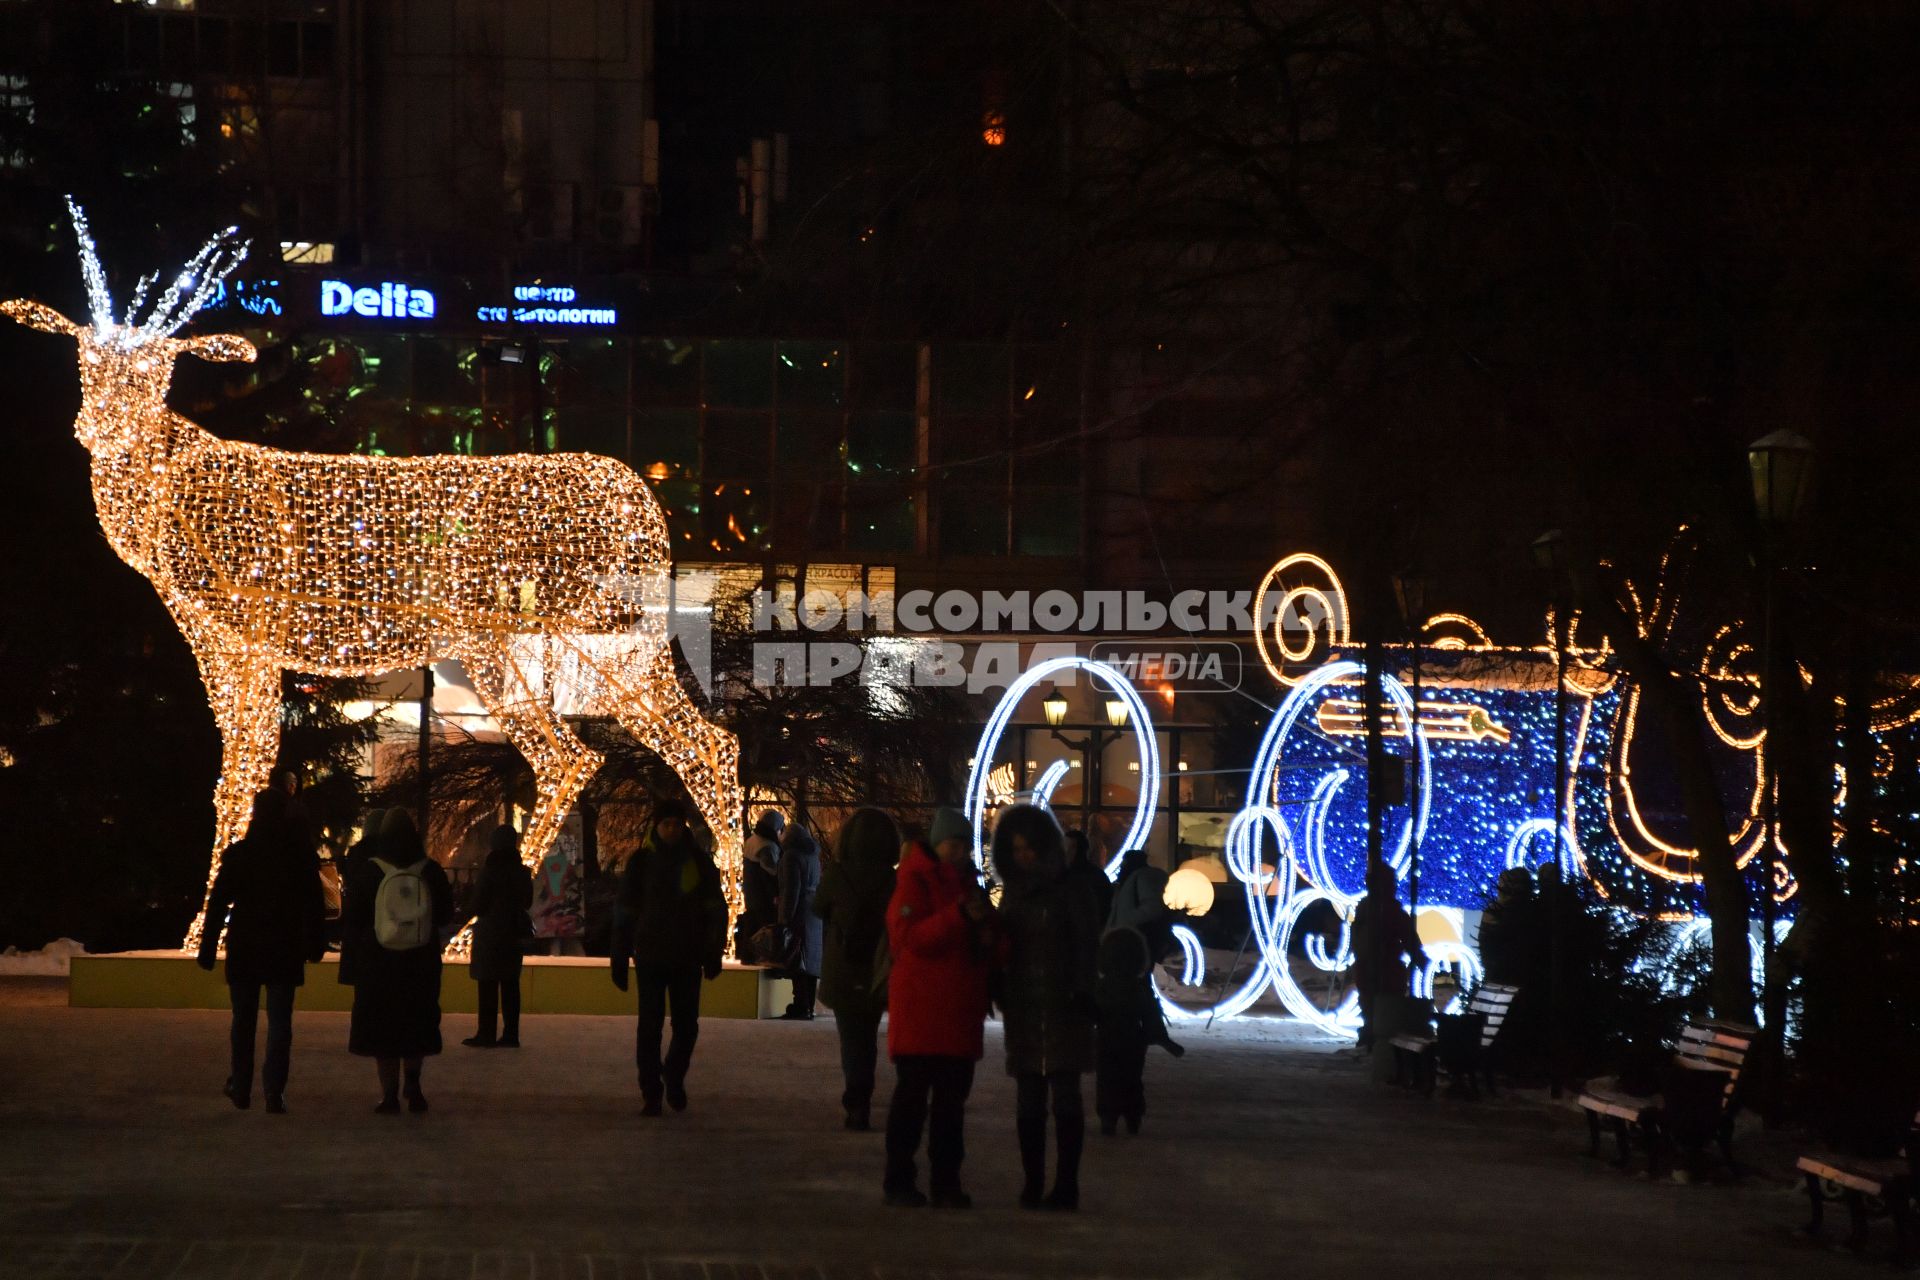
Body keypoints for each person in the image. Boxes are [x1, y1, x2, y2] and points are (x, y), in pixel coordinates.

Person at [883, 807, 998, 1209]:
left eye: (966, 846)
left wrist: (989, 935)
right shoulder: (914, 882)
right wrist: (960, 917)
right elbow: (910, 939)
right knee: (913, 1104)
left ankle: (945, 1182)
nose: (961, 853)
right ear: (937, 842)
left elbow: (984, 942)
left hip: (957, 1013)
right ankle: (901, 1180)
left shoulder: (968, 886)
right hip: (923, 1013)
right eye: (955, 844)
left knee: (950, 1108)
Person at [993, 802, 1103, 1211]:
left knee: (1066, 1098)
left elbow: (1087, 945)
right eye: (1016, 849)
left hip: (1064, 1006)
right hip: (1024, 1006)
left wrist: (1081, 990)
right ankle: (1033, 1181)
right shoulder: (1015, 896)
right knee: (1029, 1100)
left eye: (1030, 848)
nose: (1024, 856)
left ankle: (1066, 1184)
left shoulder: (1072, 891)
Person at [195, 789, 326, 1114]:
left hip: (247, 946)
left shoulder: (242, 853)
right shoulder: (298, 855)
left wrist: (208, 947)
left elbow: (218, 903)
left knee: (244, 1020)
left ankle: (241, 1085)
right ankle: (273, 1092)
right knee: (280, 1022)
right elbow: (314, 904)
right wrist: (315, 943)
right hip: (284, 946)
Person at [610, 799, 727, 1116]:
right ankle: (651, 1091)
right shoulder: (642, 862)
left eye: (677, 823)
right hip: (650, 955)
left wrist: (713, 949)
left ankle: (673, 1075)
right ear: (656, 827)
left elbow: (715, 909)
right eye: (667, 824)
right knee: (649, 1027)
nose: (672, 829)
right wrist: (619, 954)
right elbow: (625, 910)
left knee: (686, 1026)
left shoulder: (698, 862)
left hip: (687, 955)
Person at [340, 808, 454, 1114]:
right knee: (416, 1023)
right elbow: (445, 913)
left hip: (378, 962)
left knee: (383, 1027)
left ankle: (388, 1094)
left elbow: (352, 917)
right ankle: (414, 1085)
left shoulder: (369, 871)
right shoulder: (429, 870)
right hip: (420, 961)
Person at [815, 807, 900, 1130]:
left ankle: (856, 1101)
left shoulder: (838, 874)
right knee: (868, 1036)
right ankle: (862, 1095)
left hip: (843, 965)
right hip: (877, 966)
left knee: (851, 1038)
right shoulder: (892, 879)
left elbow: (817, 907)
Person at [1093, 925, 1184, 1136]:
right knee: (1132, 1079)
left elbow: (1094, 1010)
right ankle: (1132, 1115)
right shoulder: (1139, 988)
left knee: (1107, 1079)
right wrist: (1162, 1038)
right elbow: (1150, 1014)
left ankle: (1108, 1116)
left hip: (1106, 1039)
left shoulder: (1103, 986)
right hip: (1134, 1040)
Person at [463, 825, 533, 1048]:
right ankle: (511, 1033)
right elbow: (527, 902)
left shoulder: (489, 871)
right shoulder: (522, 872)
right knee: (511, 984)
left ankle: (486, 1033)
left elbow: (478, 904)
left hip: (491, 933)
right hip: (513, 933)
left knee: (487, 984)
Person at [1350, 858, 1426, 1057]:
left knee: (1372, 1010)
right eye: (1391, 882)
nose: (1394, 886)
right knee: (1386, 1012)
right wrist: (1420, 959)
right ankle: (1379, 1046)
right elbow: (1409, 939)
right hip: (1387, 972)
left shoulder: (1365, 908)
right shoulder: (1389, 910)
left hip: (1368, 969)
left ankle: (1371, 1040)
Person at [777, 818, 824, 1020]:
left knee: (797, 958)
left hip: (799, 912)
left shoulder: (790, 856)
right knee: (810, 961)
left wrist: (785, 918)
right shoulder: (813, 855)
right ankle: (809, 1005)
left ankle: (800, 1004)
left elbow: (791, 889)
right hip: (813, 911)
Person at [737, 809, 784, 959]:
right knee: (764, 929)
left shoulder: (752, 840)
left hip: (751, 894)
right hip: (764, 897)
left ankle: (747, 956)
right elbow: (771, 873)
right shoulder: (767, 846)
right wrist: (776, 893)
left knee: (751, 925)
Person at [1064, 827, 1115, 922]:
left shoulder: (1094, 876)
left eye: (1072, 847)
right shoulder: (1097, 875)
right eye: (1065, 847)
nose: (1067, 851)